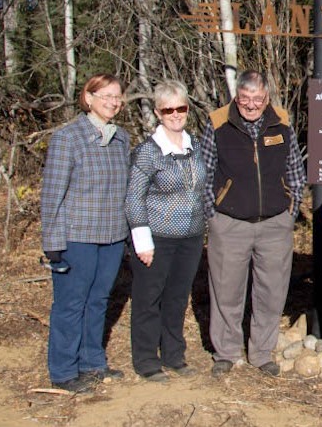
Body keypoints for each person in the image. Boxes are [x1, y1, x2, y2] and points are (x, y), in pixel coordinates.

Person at [200, 70, 306, 377]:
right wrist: (213, 214)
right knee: (226, 290)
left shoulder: (281, 121)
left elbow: (294, 168)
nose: (251, 105)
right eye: (245, 98)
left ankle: (261, 352)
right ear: (237, 96)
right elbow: (206, 172)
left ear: (267, 98)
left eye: (257, 99)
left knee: (271, 291)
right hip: (229, 222)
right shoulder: (218, 122)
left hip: (275, 223)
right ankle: (226, 352)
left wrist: (291, 207)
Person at [40, 73, 130, 393]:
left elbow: (124, 191)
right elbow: (52, 194)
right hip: (76, 236)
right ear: (88, 98)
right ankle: (64, 371)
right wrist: (52, 243)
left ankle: (91, 361)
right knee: (71, 303)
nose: (113, 101)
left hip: (112, 236)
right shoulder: (68, 138)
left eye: (117, 96)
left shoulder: (122, 139)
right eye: (105, 95)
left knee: (98, 300)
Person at [125, 80, 207, 382]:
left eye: (181, 107)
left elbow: (204, 187)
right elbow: (134, 197)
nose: (176, 114)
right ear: (158, 113)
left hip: (191, 235)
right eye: (168, 109)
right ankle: (146, 359)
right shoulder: (148, 151)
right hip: (156, 237)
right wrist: (142, 241)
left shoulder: (195, 145)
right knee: (149, 298)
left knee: (177, 297)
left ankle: (174, 355)